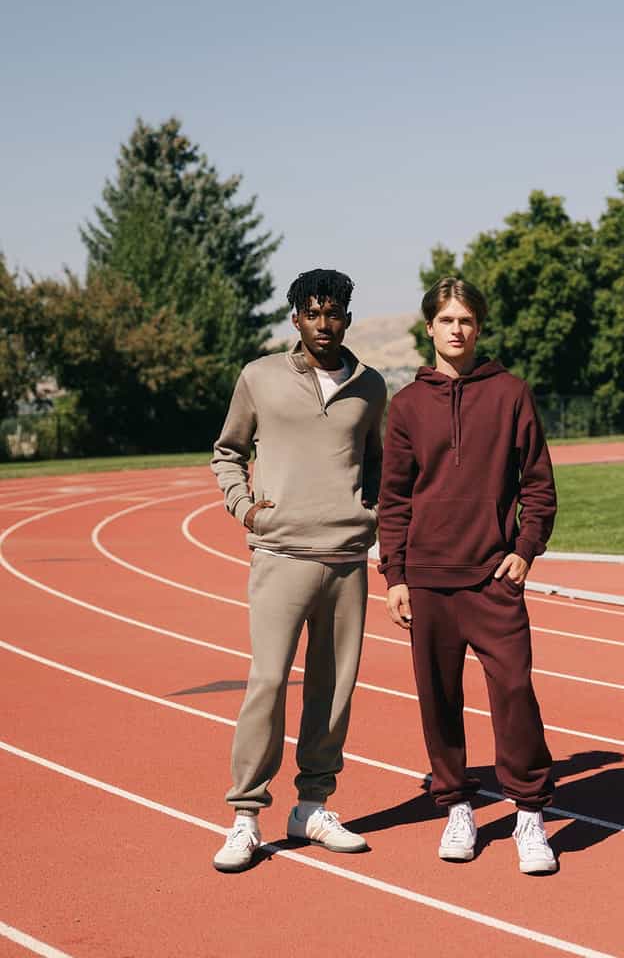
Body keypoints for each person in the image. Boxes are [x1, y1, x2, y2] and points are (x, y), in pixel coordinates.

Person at [377, 277, 558, 873]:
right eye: (447, 320)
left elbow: (539, 486)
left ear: (478, 329)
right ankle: (456, 804)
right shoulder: (405, 406)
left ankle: (530, 812)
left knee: (514, 692)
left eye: (468, 321)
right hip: (427, 581)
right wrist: (395, 574)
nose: (458, 330)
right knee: (440, 700)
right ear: (428, 328)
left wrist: (525, 550)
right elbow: (395, 497)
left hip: (492, 577)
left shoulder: (510, 394)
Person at [210, 268, 386, 872]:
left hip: (346, 561)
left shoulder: (371, 387)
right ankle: (245, 816)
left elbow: (381, 465)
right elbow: (227, 451)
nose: (324, 323)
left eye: (333, 313)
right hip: (280, 555)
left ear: (347, 318)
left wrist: (372, 513)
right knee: (266, 684)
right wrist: (245, 508)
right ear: (295, 318)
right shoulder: (259, 377)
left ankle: (312, 806)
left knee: (333, 691)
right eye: (312, 313)